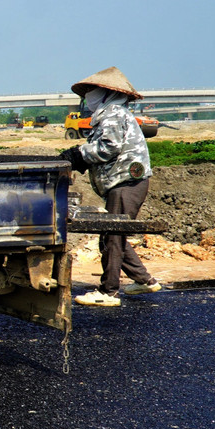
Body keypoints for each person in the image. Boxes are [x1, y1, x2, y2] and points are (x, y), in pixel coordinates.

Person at [60, 66, 163, 306]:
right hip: (124, 183)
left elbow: (109, 147)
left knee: (111, 237)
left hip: (126, 183)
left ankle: (108, 292)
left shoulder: (113, 113)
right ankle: (144, 281)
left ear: (106, 93)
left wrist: (79, 154)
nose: (89, 97)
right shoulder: (111, 113)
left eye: (93, 91)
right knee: (114, 235)